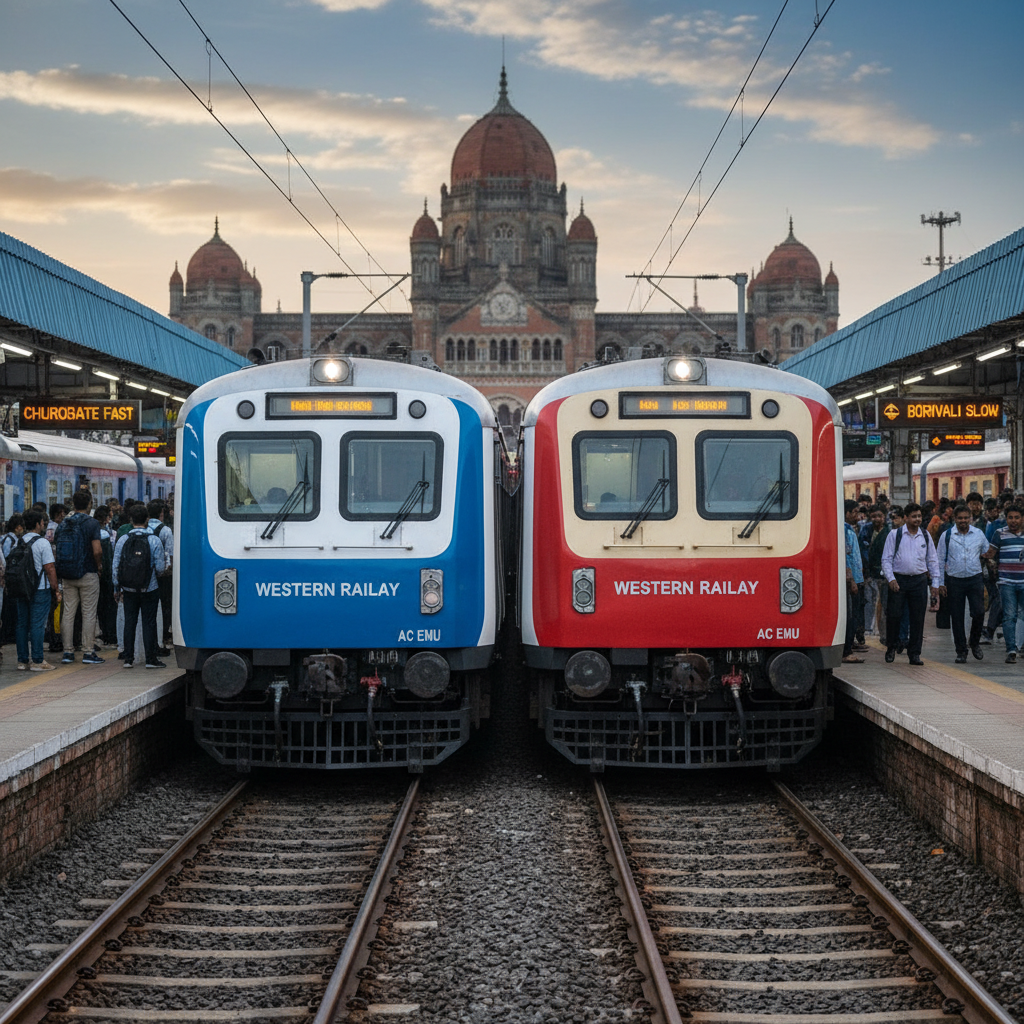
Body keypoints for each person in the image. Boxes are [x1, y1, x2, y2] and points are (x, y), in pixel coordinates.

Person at [881, 502, 940, 665]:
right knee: (894, 615)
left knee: (917, 618)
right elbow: (886, 559)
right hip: (898, 581)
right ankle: (891, 648)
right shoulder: (895, 535)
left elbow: (933, 560)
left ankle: (914, 653)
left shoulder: (925, 536)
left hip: (919, 581)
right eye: (914, 516)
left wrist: (935, 582)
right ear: (905, 518)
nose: (917, 519)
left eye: (919, 516)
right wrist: (891, 579)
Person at [112, 504, 167, 669]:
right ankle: (151, 659)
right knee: (149, 622)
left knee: (130, 621)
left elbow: (116, 566)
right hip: (149, 587)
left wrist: (117, 587)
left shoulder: (123, 539)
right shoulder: (154, 540)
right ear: (147, 520)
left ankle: (128, 658)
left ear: (131, 520)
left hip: (128, 589)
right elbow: (160, 568)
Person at [54, 490, 104, 665]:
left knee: (68, 612)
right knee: (88, 613)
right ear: (90, 503)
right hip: (87, 572)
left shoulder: (63, 523)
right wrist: (98, 565)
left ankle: (67, 652)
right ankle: (88, 652)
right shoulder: (92, 523)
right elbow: (97, 550)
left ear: (73, 504)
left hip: (67, 574)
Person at [937, 504, 989, 663]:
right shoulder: (947, 536)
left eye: (966, 518)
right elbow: (939, 560)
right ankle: (961, 651)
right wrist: (940, 582)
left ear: (971, 518)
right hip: (954, 580)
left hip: (975, 578)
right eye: (960, 518)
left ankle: (974, 642)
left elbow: (986, 552)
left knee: (979, 612)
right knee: (957, 616)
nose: (963, 521)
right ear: (955, 519)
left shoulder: (979, 534)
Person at [13, 510, 58, 671]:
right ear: (38, 524)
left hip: (21, 588)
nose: (44, 525)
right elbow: (50, 568)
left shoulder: (19, 541)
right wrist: (56, 588)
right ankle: (38, 660)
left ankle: (22, 660)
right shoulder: (42, 543)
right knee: (37, 625)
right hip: (40, 589)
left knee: (22, 624)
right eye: (42, 522)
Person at [986, 502, 1024, 663]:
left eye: (1017, 518)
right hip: (1006, 582)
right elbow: (990, 554)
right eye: (1010, 518)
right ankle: (1011, 650)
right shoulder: (999, 534)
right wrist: (991, 565)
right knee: (1009, 616)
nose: (1013, 521)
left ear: (1022, 519)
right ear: (1006, 518)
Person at [147, 499, 174, 651]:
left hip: (145, 575)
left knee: (149, 607)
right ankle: (163, 635)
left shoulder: (141, 529)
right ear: (162, 514)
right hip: (163, 575)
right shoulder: (165, 530)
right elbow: (170, 554)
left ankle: (150, 637)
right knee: (165, 606)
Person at [842, 499, 866, 663]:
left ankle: (849, 646)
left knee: (855, 613)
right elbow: (846, 557)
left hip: (856, 578)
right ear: (847, 513)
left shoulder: (850, 529)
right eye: (855, 512)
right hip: (851, 580)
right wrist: (851, 580)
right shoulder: (843, 530)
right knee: (850, 615)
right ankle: (846, 651)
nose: (858, 515)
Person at [864, 505, 890, 644]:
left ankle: (883, 633)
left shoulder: (889, 532)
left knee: (883, 603)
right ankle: (872, 629)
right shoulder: (866, 531)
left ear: (884, 517)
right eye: (873, 516)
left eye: (879, 516)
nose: (876, 519)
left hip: (884, 574)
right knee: (872, 602)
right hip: (870, 573)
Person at [94, 504, 118, 646]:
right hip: (106, 574)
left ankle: (104, 631)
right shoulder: (103, 534)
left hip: (95, 573)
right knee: (108, 605)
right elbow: (107, 557)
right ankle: (110, 633)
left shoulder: (93, 530)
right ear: (106, 518)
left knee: (99, 606)